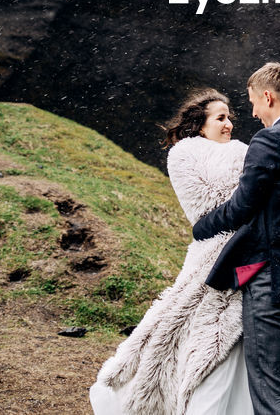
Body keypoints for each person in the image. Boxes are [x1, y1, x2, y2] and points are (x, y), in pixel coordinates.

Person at [90, 89, 254, 415]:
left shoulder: (235, 152)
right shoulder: (185, 155)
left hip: (243, 252)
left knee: (232, 338)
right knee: (198, 332)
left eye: (230, 118)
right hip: (214, 254)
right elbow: (211, 204)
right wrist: (250, 181)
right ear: (200, 123)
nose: (229, 125)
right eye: (220, 118)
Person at [192, 63, 280, 415]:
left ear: (268, 97)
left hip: (271, 274)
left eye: (254, 103)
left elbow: (242, 207)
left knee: (270, 384)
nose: (254, 113)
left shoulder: (270, 139)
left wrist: (202, 226)